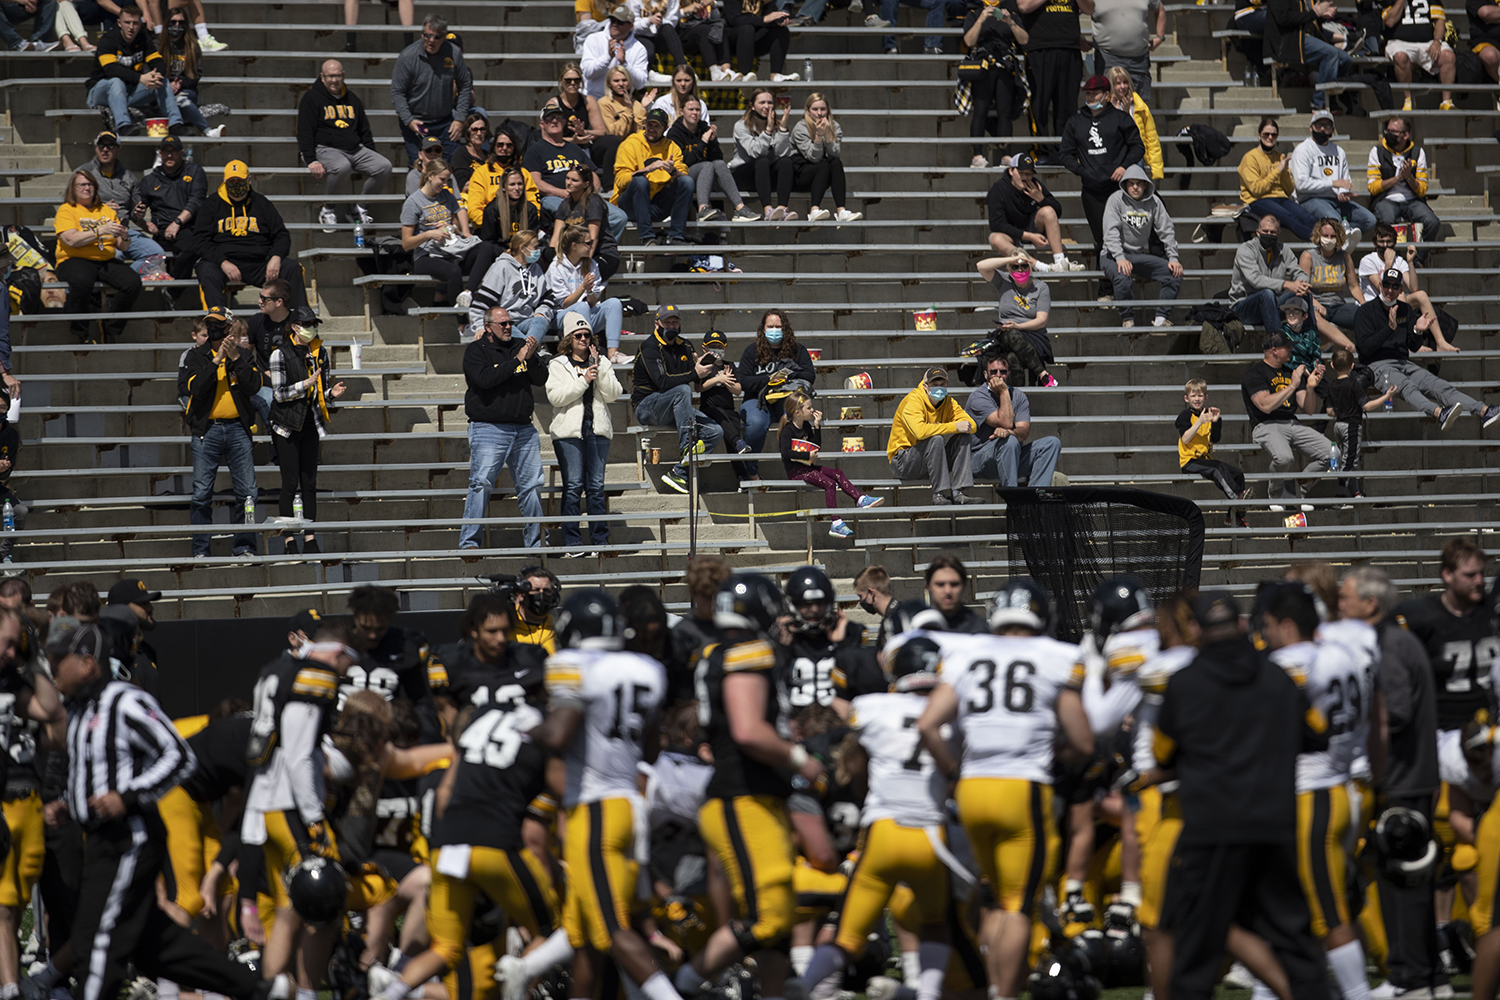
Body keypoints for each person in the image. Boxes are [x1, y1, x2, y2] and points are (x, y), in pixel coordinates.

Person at [50, 620, 276, 1000]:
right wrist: (68, 804)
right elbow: (93, 772)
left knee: (96, 938)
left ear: (88, 663)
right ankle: (257, 990)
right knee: (157, 948)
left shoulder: (125, 701)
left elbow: (179, 755)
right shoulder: (77, 709)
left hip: (130, 836)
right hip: (102, 837)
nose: (53, 667)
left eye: (60, 660)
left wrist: (129, 796)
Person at [915, 578, 1093, 997]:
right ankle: (1004, 994)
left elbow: (927, 724)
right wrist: (1055, 750)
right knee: (1017, 905)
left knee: (994, 898)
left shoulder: (967, 654)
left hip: (974, 789)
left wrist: (955, 773)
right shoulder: (1058, 656)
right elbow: (1083, 740)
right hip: (1021, 788)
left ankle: (992, 987)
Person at [1152, 591, 1332, 1000]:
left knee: (1197, 950)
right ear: (1240, 625)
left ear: (1196, 630)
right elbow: (1318, 733)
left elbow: (1162, 752)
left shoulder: (1184, 683)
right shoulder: (1278, 678)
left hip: (1210, 830)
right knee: (1297, 945)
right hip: (1273, 825)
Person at [670, 575, 822, 1000]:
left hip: (754, 796)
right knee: (768, 920)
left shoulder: (719, 652)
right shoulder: (747, 653)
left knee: (778, 920)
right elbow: (748, 730)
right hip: (742, 797)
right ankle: (678, 988)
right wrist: (799, 759)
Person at [792, 629, 952, 1000]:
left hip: (883, 832)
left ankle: (806, 989)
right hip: (932, 835)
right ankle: (925, 992)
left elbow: (844, 746)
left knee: (847, 934)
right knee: (937, 926)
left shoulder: (872, 707)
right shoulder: (953, 715)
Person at [1336, 567, 1443, 1000]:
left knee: (1405, 881)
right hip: (1407, 774)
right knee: (1407, 878)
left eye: (1345, 598)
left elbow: (1393, 712)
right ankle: (1425, 975)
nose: (1339, 605)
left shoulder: (1388, 645)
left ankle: (1411, 978)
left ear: (1370, 604)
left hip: (1404, 777)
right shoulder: (1390, 641)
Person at [1354, 267, 1500, 428]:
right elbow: (1365, 349)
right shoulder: (1365, 311)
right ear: (1380, 286)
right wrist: (1389, 328)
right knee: (1407, 386)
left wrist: (1417, 331)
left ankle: (1484, 411)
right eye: (1386, 285)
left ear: (1401, 289)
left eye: (1395, 286)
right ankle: (1439, 413)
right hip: (1377, 365)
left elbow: (1413, 346)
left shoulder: (1405, 309)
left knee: (1439, 385)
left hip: (1403, 362)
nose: (1390, 290)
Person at [461, 306, 548, 550]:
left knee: (531, 486)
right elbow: (486, 379)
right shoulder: (476, 351)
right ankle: (469, 543)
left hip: (523, 429)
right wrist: (517, 360)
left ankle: (537, 544)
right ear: (488, 328)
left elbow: (541, 379)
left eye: (510, 322)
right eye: (503, 324)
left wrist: (530, 358)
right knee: (481, 484)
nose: (509, 327)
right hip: (489, 428)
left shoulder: (520, 345)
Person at [183, 307, 260, 558]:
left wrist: (236, 357)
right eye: (209, 325)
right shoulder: (196, 356)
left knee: (247, 492)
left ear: (229, 327)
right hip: (207, 430)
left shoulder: (244, 356)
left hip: (238, 428)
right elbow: (195, 388)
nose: (214, 330)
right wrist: (216, 361)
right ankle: (200, 550)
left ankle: (245, 546)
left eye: (218, 325)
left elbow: (254, 386)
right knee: (202, 492)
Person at [268, 311, 346, 557]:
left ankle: (310, 537)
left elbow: (320, 390)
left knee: (309, 483)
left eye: (314, 324)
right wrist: (305, 384)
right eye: (307, 324)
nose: (312, 328)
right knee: (290, 483)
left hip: (311, 422)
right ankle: (289, 538)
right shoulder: (279, 353)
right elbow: (279, 394)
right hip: (287, 425)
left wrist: (331, 394)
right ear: (294, 326)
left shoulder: (320, 352)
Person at [546, 314, 624, 554]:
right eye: (577, 335)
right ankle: (572, 542)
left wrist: (597, 368)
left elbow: (614, 394)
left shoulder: (602, 363)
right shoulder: (558, 364)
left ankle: (599, 540)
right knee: (573, 486)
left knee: (596, 487)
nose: (582, 338)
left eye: (586, 335)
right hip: (569, 433)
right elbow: (555, 397)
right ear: (569, 339)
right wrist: (583, 381)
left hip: (597, 430)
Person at [1059, 75, 1143, 292]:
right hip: (1092, 191)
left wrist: (1124, 167)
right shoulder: (1075, 121)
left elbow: (1137, 147)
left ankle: (1125, 284)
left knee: (1123, 236)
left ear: (1107, 95)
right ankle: (1105, 289)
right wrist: (1082, 171)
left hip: (1119, 189)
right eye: (1087, 93)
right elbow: (1065, 154)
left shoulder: (1121, 118)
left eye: (1095, 93)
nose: (1090, 96)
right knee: (1103, 239)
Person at [631, 303, 725, 495]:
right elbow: (663, 382)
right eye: (667, 322)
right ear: (657, 323)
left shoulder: (686, 345)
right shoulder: (649, 347)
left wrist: (702, 368)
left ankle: (679, 472)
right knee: (682, 390)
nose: (672, 326)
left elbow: (695, 380)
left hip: (677, 407)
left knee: (715, 431)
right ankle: (687, 448)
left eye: (675, 322)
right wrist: (693, 373)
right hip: (647, 406)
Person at [192, 160, 308, 313]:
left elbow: (281, 235)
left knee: (292, 268)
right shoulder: (211, 204)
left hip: (259, 263)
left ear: (249, 180)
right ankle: (219, 323)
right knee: (206, 269)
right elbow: (201, 240)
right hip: (225, 263)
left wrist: (276, 257)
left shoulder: (261, 203)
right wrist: (222, 262)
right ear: (224, 182)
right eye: (231, 181)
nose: (236, 184)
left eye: (239, 180)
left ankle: (302, 323)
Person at [1241, 330, 1332, 510]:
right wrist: (1292, 385)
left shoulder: (1291, 372)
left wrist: (1311, 387)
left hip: (1292, 423)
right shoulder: (1255, 374)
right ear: (1274, 350)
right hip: (1265, 425)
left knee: (1331, 454)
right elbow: (1265, 406)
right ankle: (1275, 495)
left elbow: (1309, 409)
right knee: (1283, 458)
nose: (1291, 350)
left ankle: (1298, 492)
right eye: (1287, 347)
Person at [298, 59, 392, 233]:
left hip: (355, 149)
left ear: (343, 76)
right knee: (342, 167)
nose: (334, 80)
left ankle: (360, 209)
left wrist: (371, 153)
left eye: (338, 76)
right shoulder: (311, 98)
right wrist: (311, 159)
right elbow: (304, 131)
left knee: (384, 166)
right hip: (325, 148)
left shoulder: (352, 98)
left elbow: (364, 129)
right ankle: (328, 209)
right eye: (330, 76)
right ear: (322, 77)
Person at [777, 387, 882, 539]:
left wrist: (817, 426)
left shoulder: (806, 426)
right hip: (796, 471)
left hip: (809, 467)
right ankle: (836, 523)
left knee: (837, 473)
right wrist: (807, 455)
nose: (812, 410)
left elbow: (816, 445)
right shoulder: (788, 431)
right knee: (829, 483)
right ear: (798, 412)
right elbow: (785, 453)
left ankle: (860, 499)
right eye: (809, 407)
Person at [52, 169, 142, 345]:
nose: (87, 188)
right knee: (82, 280)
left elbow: (121, 245)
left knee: (132, 282)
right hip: (73, 259)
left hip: (104, 259)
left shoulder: (106, 211)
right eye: (82, 184)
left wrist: (124, 236)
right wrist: (100, 231)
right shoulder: (67, 210)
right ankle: (80, 331)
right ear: (73, 188)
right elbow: (70, 240)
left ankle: (111, 327)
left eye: (90, 184)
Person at [401, 158, 495, 309]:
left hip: (452, 251)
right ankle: (462, 322)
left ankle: (468, 292)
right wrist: (429, 234)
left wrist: (451, 227)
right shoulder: (413, 202)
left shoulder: (447, 196)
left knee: (487, 247)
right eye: (442, 180)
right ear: (430, 175)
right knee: (454, 272)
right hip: (426, 256)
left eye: (448, 180)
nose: (445, 184)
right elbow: (406, 243)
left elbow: (456, 226)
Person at [735, 308, 815, 480]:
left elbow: (810, 375)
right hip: (757, 401)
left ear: (785, 329)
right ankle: (750, 471)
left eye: (778, 327)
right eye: (770, 326)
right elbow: (744, 381)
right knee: (756, 424)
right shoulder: (752, 351)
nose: (774, 330)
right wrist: (769, 379)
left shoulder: (797, 350)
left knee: (799, 418)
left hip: (785, 401)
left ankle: (800, 469)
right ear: (763, 329)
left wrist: (786, 376)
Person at [1101, 164, 1182, 328]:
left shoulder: (1154, 202)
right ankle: (1127, 319)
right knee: (1123, 277)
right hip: (1111, 255)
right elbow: (1111, 232)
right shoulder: (1116, 200)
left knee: (1175, 274)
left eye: (1139, 183)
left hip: (1137, 254)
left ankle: (1160, 320)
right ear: (1125, 185)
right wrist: (1120, 257)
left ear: (1145, 184)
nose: (1135, 187)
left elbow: (1166, 229)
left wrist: (1173, 257)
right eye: (1131, 183)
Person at [85, 5, 184, 136]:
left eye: (135, 23)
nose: (131, 27)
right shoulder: (108, 40)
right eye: (127, 22)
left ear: (140, 24)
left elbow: (158, 62)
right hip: (100, 92)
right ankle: (123, 125)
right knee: (116, 81)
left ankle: (175, 124)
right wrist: (140, 78)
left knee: (162, 80)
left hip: (128, 93)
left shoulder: (143, 39)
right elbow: (111, 70)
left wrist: (155, 75)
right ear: (119, 23)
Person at [888, 367, 980, 505]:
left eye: (942, 385)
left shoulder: (948, 402)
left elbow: (971, 425)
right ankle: (939, 494)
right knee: (936, 439)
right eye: (934, 385)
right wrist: (953, 426)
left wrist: (958, 427)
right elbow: (920, 432)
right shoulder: (913, 401)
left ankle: (958, 493)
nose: (939, 388)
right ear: (925, 386)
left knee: (963, 437)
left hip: (929, 461)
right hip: (903, 462)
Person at [969, 352, 1062, 488]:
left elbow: (1023, 432)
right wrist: (1004, 392)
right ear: (985, 374)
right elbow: (1006, 422)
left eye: (1003, 372)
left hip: (1012, 457)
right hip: (981, 460)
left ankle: (1035, 499)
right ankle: (1014, 500)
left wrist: (1009, 433)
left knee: (1052, 443)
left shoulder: (1019, 396)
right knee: (1009, 442)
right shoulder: (977, 397)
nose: (998, 375)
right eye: (993, 372)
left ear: (1009, 374)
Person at [390, 14, 473, 165]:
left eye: (437, 37)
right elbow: (397, 92)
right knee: (419, 166)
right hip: (416, 122)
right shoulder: (408, 56)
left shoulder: (454, 53)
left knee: (448, 166)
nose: (431, 41)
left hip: (445, 122)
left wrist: (460, 119)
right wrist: (409, 120)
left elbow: (465, 85)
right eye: (427, 36)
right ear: (422, 34)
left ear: (444, 36)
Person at [668, 96, 759, 223]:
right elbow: (684, 161)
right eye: (691, 109)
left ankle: (740, 209)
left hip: (706, 177)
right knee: (707, 165)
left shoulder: (704, 128)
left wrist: (712, 142)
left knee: (720, 164)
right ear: (682, 111)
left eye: (698, 110)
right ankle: (703, 209)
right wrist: (703, 142)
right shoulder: (674, 133)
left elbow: (717, 158)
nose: (695, 113)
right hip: (683, 176)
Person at [1317, 348, 1392, 500]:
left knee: (1347, 460)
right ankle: (1339, 495)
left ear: (1332, 365)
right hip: (1351, 426)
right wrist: (1386, 397)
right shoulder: (1354, 385)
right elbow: (1367, 406)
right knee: (1349, 462)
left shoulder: (1332, 386)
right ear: (1352, 366)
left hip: (1338, 426)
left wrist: (1341, 412)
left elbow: (1330, 411)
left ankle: (1356, 493)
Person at [546, 225, 628, 362]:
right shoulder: (556, 267)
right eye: (588, 243)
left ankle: (613, 353)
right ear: (574, 245)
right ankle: (588, 353)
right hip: (560, 316)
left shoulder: (591, 264)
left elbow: (592, 302)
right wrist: (583, 288)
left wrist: (589, 291)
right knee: (581, 307)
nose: (591, 246)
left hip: (586, 316)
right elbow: (564, 304)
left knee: (614, 303)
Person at [612, 107, 693, 245]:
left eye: (657, 126)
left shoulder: (672, 147)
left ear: (666, 128)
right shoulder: (630, 144)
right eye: (650, 124)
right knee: (640, 181)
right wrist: (647, 169)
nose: (652, 129)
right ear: (644, 124)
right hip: (630, 205)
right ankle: (647, 237)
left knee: (687, 182)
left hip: (657, 205)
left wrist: (673, 172)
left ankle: (676, 237)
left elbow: (683, 174)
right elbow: (620, 180)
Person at [986, 153, 1081, 270]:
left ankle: (1060, 263)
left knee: (1048, 211)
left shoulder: (1034, 185)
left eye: (1029, 174)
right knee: (995, 239)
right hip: (1010, 234)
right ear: (1011, 171)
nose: (1025, 178)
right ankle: (1043, 268)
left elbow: (1058, 211)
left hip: (1031, 227)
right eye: (1021, 173)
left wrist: (1041, 199)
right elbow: (997, 224)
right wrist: (1029, 236)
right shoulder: (998, 189)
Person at [1367, 117, 1443, 262]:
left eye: (1394, 132)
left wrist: (1408, 177)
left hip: (1412, 200)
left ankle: (1418, 260)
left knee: (1432, 222)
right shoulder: (1377, 152)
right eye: (1388, 130)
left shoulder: (1417, 153)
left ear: (1405, 135)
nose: (1388, 134)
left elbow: (1422, 190)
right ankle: (1389, 261)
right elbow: (1373, 187)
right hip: (1385, 200)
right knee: (1387, 220)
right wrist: (1397, 178)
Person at [1291, 110, 1374, 241]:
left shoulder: (1338, 151)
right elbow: (1301, 184)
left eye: (1327, 125)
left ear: (1333, 129)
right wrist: (1332, 183)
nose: (1323, 129)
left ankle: (1343, 238)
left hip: (1335, 200)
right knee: (1335, 219)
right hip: (1310, 199)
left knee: (1369, 220)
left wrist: (1343, 192)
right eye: (1319, 125)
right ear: (1311, 127)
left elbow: (1344, 180)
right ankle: (1342, 239)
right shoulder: (1303, 150)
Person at [133, 133, 205, 283]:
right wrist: (143, 224)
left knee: (192, 248)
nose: (170, 155)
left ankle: (173, 290)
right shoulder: (150, 180)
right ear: (160, 153)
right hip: (162, 230)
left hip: (188, 227)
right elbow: (135, 210)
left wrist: (177, 223)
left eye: (174, 151)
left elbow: (196, 201)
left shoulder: (194, 171)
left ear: (182, 153)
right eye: (166, 151)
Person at [963, 0, 1027, 170]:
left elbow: (1024, 39)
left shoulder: (1010, 15)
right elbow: (969, 41)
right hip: (982, 68)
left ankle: (1006, 154)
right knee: (980, 111)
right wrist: (981, 19)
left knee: (1004, 112)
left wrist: (1010, 22)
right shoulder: (974, 14)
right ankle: (977, 155)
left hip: (1004, 66)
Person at [1178, 377, 1251, 522]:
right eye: (1193, 395)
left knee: (1238, 474)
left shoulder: (1208, 415)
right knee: (1218, 468)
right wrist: (1199, 422)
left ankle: (1235, 516)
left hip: (1205, 460)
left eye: (1200, 395)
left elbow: (1215, 439)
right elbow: (1185, 438)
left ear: (1205, 397)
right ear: (1186, 398)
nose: (1197, 399)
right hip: (1190, 461)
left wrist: (1216, 423)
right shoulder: (1185, 415)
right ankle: (1238, 497)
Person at [975, 253, 1062, 376]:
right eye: (1015, 267)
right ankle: (1043, 375)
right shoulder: (1003, 281)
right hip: (1006, 335)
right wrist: (1011, 259)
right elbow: (981, 266)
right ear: (1009, 269)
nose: (1020, 269)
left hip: (1032, 336)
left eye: (1024, 266)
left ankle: (1018, 394)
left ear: (1030, 266)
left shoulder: (1041, 287)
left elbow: (1042, 320)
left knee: (1012, 358)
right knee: (1011, 335)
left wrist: (1017, 326)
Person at [1019, 0, 1088, 147]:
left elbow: (1089, 9)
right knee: (1039, 103)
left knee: (1068, 105)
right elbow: (1023, 6)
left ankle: (1065, 150)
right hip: (1040, 49)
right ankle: (1040, 150)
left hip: (1070, 49)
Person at [1239, 117, 1318, 240]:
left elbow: (1288, 189)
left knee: (1308, 218)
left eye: (1274, 135)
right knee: (1291, 218)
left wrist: (1285, 172)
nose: (1270, 137)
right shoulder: (1250, 158)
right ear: (1259, 136)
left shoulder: (1278, 157)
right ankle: (1323, 242)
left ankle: (1333, 238)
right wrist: (1277, 170)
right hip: (1258, 200)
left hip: (1281, 198)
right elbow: (1256, 189)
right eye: (1266, 134)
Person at [469, 231, 557, 342]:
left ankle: (529, 353)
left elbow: (547, 299)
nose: (538, 251)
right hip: (506, 323)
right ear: (522, 248)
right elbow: (480, 303)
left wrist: (541, 313)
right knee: (516, 338)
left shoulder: (536, 269)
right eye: (535, 247)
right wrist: (479, 327)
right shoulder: (501, 267)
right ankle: (531, 353)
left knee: (541, 320)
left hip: (528, 320)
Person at [1231, 215, 1309, 334]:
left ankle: (1311, 340)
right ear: (1258, 232)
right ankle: (1277, 344)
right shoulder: (1246, 249)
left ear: (1278, 234)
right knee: (1266, 294)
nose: (1268, 234)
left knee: (1303, 291)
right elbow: (1255, 280)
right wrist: (1286, 284)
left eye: (1272, 232)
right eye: (1265, 231)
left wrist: (1302, 283)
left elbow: (1298, 272)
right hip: (1245, 307)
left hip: (1273, 305)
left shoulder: (1284, 250)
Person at [789, 93, 861, 223]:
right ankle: (814, 210)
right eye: (815, 109)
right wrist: (818, 135)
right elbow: (813, 158)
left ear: (828, 110)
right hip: (800, 175)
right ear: (807, 111)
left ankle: (841, 211)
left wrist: (827, 134)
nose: (819, 113)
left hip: (822, 174)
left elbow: (834, 154)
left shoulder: (835, 126)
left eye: (823, 109)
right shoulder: (801, 128)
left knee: (836, 163)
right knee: (823, 164)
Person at [1266, 0, 1350, 110]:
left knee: (1346, 59)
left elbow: (1309, 16)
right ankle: (1318, 102)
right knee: (1330, 53)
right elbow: (1283, 18)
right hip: (1290, 40)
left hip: (1310, 37)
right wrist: (1313, 13)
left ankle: (1330, 99)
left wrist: (1321, 14)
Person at [729, 88, 797, 221]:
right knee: (762, 161)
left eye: (770, 102)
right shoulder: (741, 126)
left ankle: (782, 209)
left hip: (765, 176)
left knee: (786, 162)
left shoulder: (776, 125)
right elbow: (755, 152)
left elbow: (783, 154)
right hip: (744, 174)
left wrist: (782, 129)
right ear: (752, 106)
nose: (766, 106)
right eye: (762, 102)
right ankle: (768, 210)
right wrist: (767, 131)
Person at [155, 6, 220, 136]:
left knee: (182, 98)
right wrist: (169, 84)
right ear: (167, 23)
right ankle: (208, 131)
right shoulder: (157, 46)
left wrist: (179, 84)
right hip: (162, 89)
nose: (177, 25)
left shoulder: (192, 46)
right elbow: (152, 71)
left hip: (187, 89)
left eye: (181, 22)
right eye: (173, 22)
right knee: (178, 100)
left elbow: (196, 75)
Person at [548, 168, 619, 278]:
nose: (568, 183)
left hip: (601, 253)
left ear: (586, 184)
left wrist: (585, 265)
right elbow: (556, 238)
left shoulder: (593, 202)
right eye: (567, 178)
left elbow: (593, 238)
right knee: (547, 255)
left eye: (574, 180)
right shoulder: (565, 204)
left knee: (581, 276)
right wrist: (553, 261)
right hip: (576, 254)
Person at [1383, 0, 1454, 108]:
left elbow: (1440, 20)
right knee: (1400, 56)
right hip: (1400, 42)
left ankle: (1446, 102)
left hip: (1427, 42)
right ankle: (1408, 100)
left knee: (1448, 56)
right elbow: (1389, 21)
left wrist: (1437, 41)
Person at [1300, 218, 1365, 335]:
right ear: (1318, 236)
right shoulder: (1308, 256)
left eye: (1333, 236)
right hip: (1316, 305)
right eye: (1325, 235)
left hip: (1338, 306)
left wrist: (1365, 305)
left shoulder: (1344, 256)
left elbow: (1354, 286)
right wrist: (1316, 304)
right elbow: (1303, 288)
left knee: (1365, 318)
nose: (1329, 239)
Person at [1090, 0, 1165, 101]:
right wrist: (1079, 39)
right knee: (1107, 106)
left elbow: (1159, 9)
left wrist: (1160, 37)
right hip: (1107, 59)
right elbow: (1073, 10)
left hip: (1138, 60)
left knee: (1139, 106)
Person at [1106, 66, 1162, 181]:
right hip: (1111, 156)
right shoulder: (1104, 106)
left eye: (1125, 82)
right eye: (1118, 83)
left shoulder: (1139, 106)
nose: (1122, 87)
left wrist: (1156, 169)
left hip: (1134, 155)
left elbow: (1151, 137)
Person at [591, 66, 646, 182]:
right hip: (606, 150)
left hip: (630, 149)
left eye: (624, 80)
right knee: (613, 140)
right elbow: (614, 133)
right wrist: (628, 110)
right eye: (616, 81)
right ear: (609, 84)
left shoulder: (637, 104)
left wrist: (644, 108)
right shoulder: (604, 103)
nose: (621, 84)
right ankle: (609, 185)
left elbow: (640, 133)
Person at [580, 5, 649, 97]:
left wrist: (624, 64)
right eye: (613, 20)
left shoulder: (639, 48)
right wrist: (608, 57)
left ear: (631, 26)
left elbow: (640, 84)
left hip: (622, 103)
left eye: (620, 22)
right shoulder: (593, 39)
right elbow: (588, 73)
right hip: (593, 99)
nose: (614, 24)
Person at [723, 0, 796, 80]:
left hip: (754, 39)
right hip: (733, 40)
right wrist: (763, 19)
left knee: (782, 30)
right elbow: (734, 20)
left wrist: (779, 20)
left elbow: (769, 18)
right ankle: (745, 74)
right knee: (747, 29)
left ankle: (776, 75)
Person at [479, 167, 549, 250]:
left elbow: (531, 239)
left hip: (524, 252)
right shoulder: (492, 210)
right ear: (504, 187)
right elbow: (489, 242)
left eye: (520, 184)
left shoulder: (530, 209)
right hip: (499, 252)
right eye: (512, 184)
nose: (517, 188)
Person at [633, 0, 688, 84]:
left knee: (668, 29)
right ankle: (649, 74)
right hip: (641, 34)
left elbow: (672, 22)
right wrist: (649, 21)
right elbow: (632, 26)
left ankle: (684, 69)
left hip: (660, 35)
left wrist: (660, 21)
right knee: (648, 50)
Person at [0, 393, 25, 562]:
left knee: (20, 511)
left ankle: (3, 556)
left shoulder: (11, 436)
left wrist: (3, 469)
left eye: (2, 408)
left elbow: (7, 472)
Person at [449, 112, 491, 191]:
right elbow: (463, 185)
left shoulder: (489, 155)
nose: (479, 133)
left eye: (482, 129)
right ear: (467, 132)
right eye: (474, 130)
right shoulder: (460, 155)